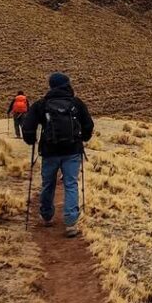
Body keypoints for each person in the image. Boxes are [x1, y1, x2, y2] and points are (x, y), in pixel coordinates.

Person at [20, 73, 94, 237]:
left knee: (48, 183)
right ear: (67, 85)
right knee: (71, 184)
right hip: (72, 150)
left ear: (51, 86)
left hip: (49, 151)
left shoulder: (42, 104)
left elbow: (28, 126)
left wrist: (31, 139)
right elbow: (88, 124)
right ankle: (70, 223)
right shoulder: (76, 103)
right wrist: (83, 138)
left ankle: (46, 216)